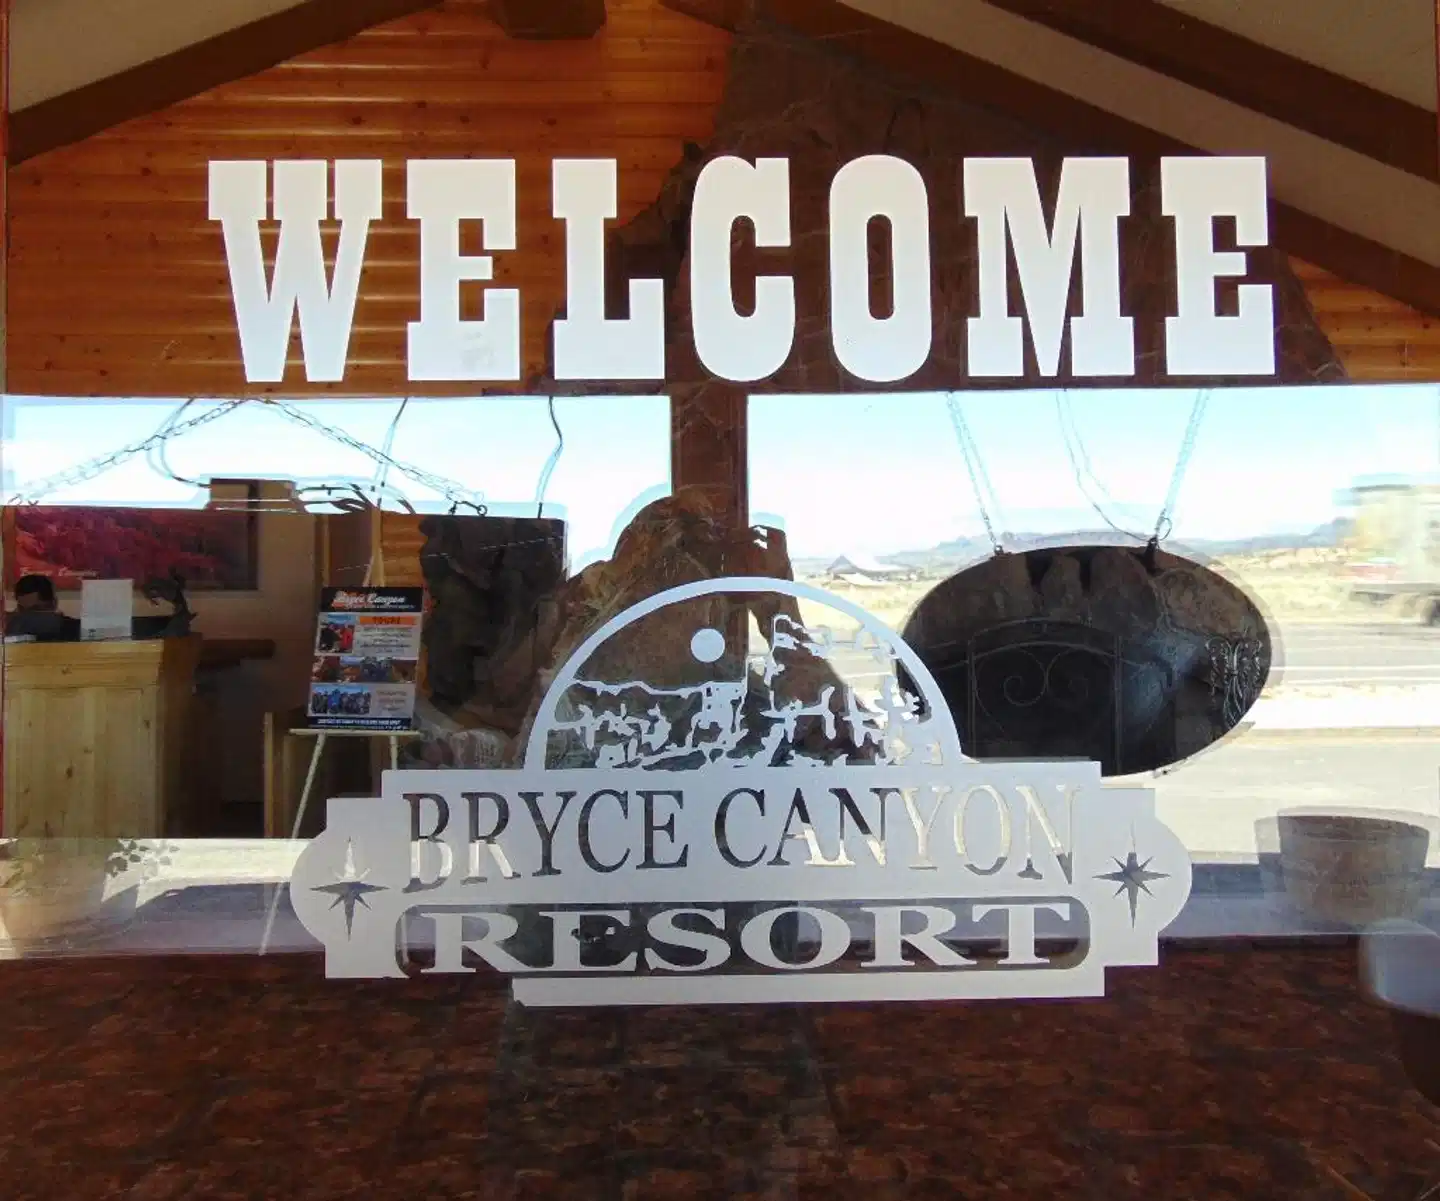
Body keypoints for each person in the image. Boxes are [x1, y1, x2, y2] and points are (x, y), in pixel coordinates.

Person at [6, 574, 80, 640]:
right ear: (54, 603)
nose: (27, 619)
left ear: (54, 603)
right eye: (23, 611)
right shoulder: (13, 628)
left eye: (35, 611)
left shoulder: (75, 630)